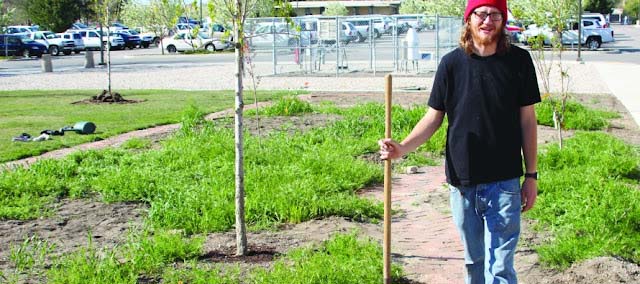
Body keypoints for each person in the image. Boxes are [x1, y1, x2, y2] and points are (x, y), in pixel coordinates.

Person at [378, 0, 540, 283]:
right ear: (469, 19)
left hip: (505, 182)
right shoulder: (451, 64)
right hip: (462, 180)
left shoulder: (519, 62)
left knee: (501, 266)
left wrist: (531, 175)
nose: (487, 20)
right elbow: (433, 117)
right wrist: (402, 148)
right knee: (473, 261)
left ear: (503, 22)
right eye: (481, 13)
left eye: (495, 15)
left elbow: (528, 120)